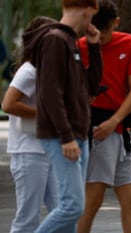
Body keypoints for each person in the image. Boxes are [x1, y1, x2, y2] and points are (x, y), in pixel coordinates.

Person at [22, 0, 102, 232]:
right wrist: (66, 136)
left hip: (77, 133)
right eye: (91, 16)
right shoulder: (56, 40)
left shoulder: (69, 41)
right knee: (72, 206)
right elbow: (50, 93)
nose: (91, 23)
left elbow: (91, 88)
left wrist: (94, 47)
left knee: (71, 208)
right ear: (87, 10)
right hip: (64, 135)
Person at [76, 0, 131, 232]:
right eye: (93, 29)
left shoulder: (128, 42)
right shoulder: (79, 46)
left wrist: (115, 121)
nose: (99, 36)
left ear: (116, 23)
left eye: (104, 31)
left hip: (119, 129)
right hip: (96, 131)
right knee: (91, 201)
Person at [2, 16, 58, 233]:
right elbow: (8, 104)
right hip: (28, 152)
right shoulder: (29, 70)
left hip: (47, 150)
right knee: (27, 219)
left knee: (63, 210)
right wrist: (44, 114)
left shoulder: (45, 69)